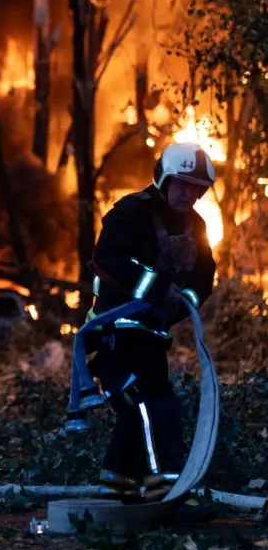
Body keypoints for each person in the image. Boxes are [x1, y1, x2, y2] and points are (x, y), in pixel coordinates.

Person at [85, 142, 216, 502]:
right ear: (163, 178)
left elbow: (203, 278)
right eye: (183, 184)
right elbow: (107, 260)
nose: (190, 193)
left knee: (149, 406)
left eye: (197, 188)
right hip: (115, 332)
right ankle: (168, 488)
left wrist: (182, 303)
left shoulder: (196, 226)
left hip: (152, 336)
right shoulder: (130, 213)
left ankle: (118, 486)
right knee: (146, 406)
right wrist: (157, 288)